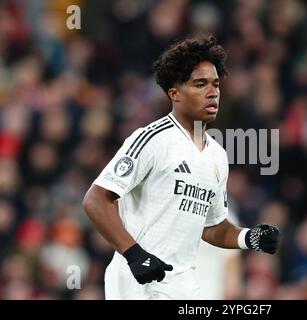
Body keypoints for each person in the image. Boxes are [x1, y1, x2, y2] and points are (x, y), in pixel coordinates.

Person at [82, 35, 280, 300]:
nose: (212, 92)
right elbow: (96, 199)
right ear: (175, 94)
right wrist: (134, 255)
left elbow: (212, 227)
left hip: (182, 284)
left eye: (216, 84)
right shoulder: (152, 139)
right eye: (200, 84)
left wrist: (250, 237)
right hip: (137, 283)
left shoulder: (217, 156)